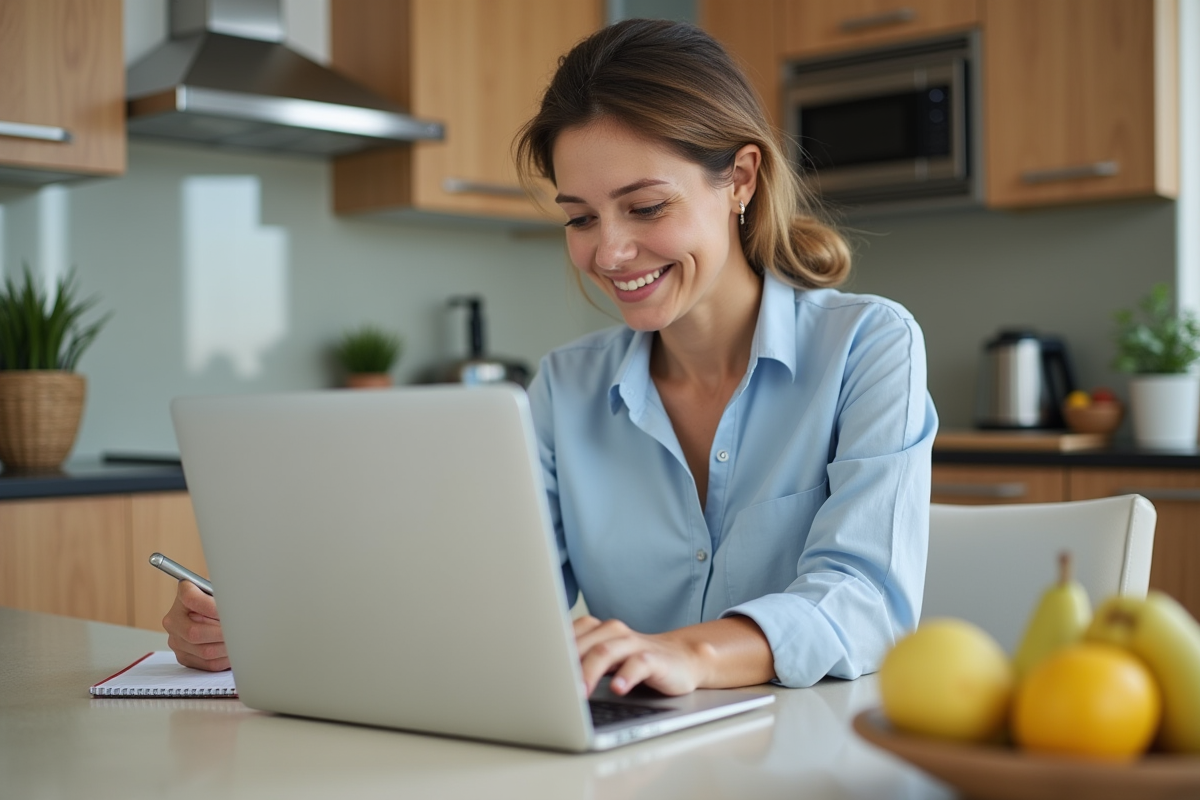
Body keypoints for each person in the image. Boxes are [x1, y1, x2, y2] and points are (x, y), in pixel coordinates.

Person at [163, 18, 937, 697]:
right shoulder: (568, 387)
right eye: (580, 217)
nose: (610, 251)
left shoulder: (869, 347)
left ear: (739, 179)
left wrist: (687, 653)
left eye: (645, 206)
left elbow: (863, 598)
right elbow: (481, 595)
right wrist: (269, 619)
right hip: (628, 759)